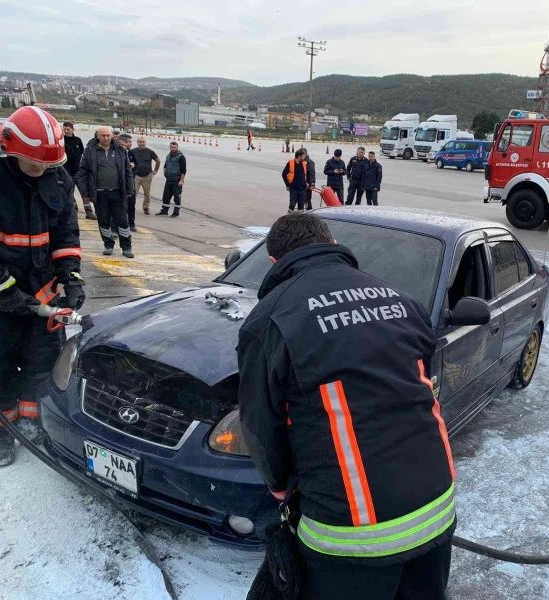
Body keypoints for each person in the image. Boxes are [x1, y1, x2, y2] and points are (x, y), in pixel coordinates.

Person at [237, 213, 456, 599]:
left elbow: (260, 423)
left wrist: (279, 487)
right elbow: (417, 382)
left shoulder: (270, 320)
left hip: (352, 530)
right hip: (436, 506)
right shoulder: (401, 300)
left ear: (274, 261)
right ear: (333, 243)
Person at [0, 106, 84, 467]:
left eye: (49, 165)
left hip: (41, 294)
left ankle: (33, 423)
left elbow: (65, 232)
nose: (42, 170)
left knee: (42, 365)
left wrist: (70, 275)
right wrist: (1, 288)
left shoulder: (57, 175)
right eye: (35, 164)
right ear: (10, 151)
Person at [76, 126, 134, 258]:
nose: (106, 138)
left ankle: (126, 247)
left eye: (108, 135)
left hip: (118, 193)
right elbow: (82, 174)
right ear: (97, 136)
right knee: (103, 221)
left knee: (122, 221)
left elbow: (127, 171)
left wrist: (130, 189)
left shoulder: (120, 150)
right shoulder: (89, 151)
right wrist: (85, 194)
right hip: (99, 194)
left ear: (112, 136)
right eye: (103, 135)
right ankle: (108, 245)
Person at [62, 122, 96, 220]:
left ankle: (89, 212)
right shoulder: (61, 141)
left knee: (84, 191)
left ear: (73, 129)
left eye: (68, 129)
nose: (66, 131)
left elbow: (82, 154)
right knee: (69, 192)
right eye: (64, 129)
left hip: (78, 171)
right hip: (66, 171)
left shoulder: (78, 140)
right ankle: (74, 210)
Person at [131, 136, 160, 216]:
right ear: (137, 143)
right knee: (133, 192)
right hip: (136, 176)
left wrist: (155, 171)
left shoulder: (150, 152)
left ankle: (146, 208)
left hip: (147, 176)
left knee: (147, 193)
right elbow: (127, 161)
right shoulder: (132, 151)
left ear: (145, 142)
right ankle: (131, 206)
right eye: (140, 142)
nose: (142, 143)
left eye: (143, 142)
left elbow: (158, 161)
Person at [157, 142, 186, 217]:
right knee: (166, 196)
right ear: (169, 147)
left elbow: (183, 170)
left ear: (177, 147)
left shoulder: (181, 157)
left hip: (177, 180)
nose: (173, 149)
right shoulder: (168, 156)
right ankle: (164, 211)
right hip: (169, 179)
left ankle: (176, 212)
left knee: (177, 196)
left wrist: (181, 180)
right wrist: (165, 174)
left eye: (174, 147)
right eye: (171, 147)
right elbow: (165, 166)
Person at [117, 133, 139, 232]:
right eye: (129, 142)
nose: (130, 144)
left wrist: (133, 166)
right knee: (121, 206)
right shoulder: (116, 153)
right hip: (120, 184)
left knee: (131, 205)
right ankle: (120, 225)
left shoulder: (130, 153)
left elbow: (136, 165)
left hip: (130, 182)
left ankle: (131, 224)